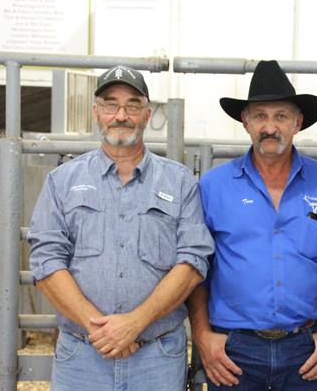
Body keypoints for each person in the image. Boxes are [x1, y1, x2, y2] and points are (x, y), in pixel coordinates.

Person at [28, 65, 214, 391]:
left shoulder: (180, 181)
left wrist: (135, 323)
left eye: (132, 105)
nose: (121, 115)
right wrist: (102, 330)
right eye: (111, 104)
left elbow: (193, 262)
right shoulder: (62, 181)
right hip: (82, 357)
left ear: (146, 114)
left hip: (155, 357)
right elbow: (46, 261)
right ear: (96, 113)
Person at [187, 60, 317, 390]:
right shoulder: (214, 187)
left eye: (280, 116)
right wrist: (202, 336)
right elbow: (196, 270)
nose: (270, 126)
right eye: (260, 116)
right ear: (245, 122)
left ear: (298, 122)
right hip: (233, 350)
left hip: (307, 348)